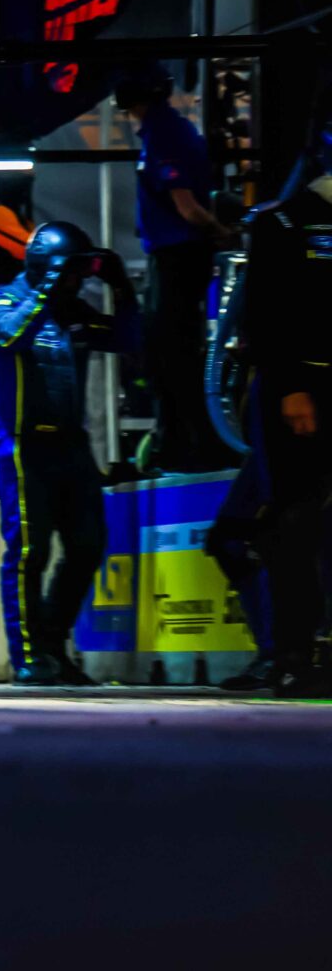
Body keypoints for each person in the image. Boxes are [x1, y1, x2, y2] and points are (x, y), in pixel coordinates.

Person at [0, 221, 137, 684]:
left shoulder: (73, 310)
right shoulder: (0, 303)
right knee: (30, 550)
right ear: (46, 269)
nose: (76, 284)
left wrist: (122, 287)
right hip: (23, 447)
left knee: (88, 545)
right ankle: (27, 656)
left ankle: (52, 643)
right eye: (70, 274)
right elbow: (11, 336)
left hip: (71, 445)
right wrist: (48, 287)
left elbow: (127, 340)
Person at [214, 112, 332, 694]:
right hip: (295, 394)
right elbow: (267, 319)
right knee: (290, 523)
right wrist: (290, 386)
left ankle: (298, 649)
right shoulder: (284, 224)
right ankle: (288, 652)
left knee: (307, 524)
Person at [114, 65, 240, 472]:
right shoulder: (165, 131)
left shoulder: (166, 134)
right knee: (165, 351)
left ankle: (192, 446)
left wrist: (221, 233)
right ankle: (182, 442)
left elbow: (187, 208)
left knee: (171, 354)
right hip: (174, 255)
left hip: (178, 257)